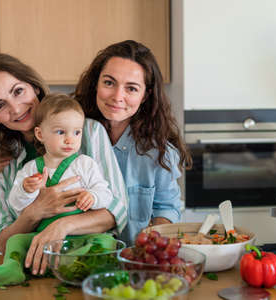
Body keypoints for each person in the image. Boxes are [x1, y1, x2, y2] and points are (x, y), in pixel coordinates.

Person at [0, 53, 128, 277]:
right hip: (34, 273)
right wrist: (35, 211)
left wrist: (62, 226)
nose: (15, 109)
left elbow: (117, 210)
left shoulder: (88, 132)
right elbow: (3, 241)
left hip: (85, 268)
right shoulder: (0, 163)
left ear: (35, 87)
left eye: (18, 91)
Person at [74, 40, 192, 244]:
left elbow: (167, 207)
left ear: (145, 95)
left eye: (131, 88)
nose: (117, 97)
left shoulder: (159, 151)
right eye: (109, 83)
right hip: (79, 259)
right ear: (96, 83)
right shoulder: (70, 135)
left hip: (136, 262)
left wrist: (152, 237)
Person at [8, 93, 113, 219]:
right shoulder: (30, 169)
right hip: (44, 233)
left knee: (105, 240)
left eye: (76, 132)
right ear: (40, 134)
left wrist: (93, 197)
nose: (70, 140)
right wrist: (25, 190)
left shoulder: (85, 164)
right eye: (60, 132)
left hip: (82, 232)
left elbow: (106, 195)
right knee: (15, 240)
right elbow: (15, 205)